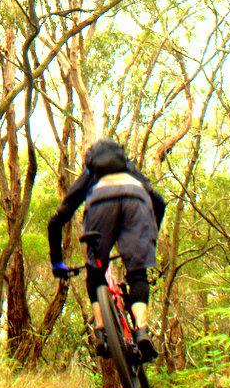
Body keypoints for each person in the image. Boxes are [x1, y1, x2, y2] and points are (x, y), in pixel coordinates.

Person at [47, 137, 165, 362]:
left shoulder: (90, 174)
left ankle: (101, 331)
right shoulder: (130, 171)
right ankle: (141, 331)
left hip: (101, 203)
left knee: (95, 270)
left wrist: (57, 263)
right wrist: (149, 237)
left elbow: (56, 221)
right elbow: (158, 202)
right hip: (137, 201)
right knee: (137, 273)